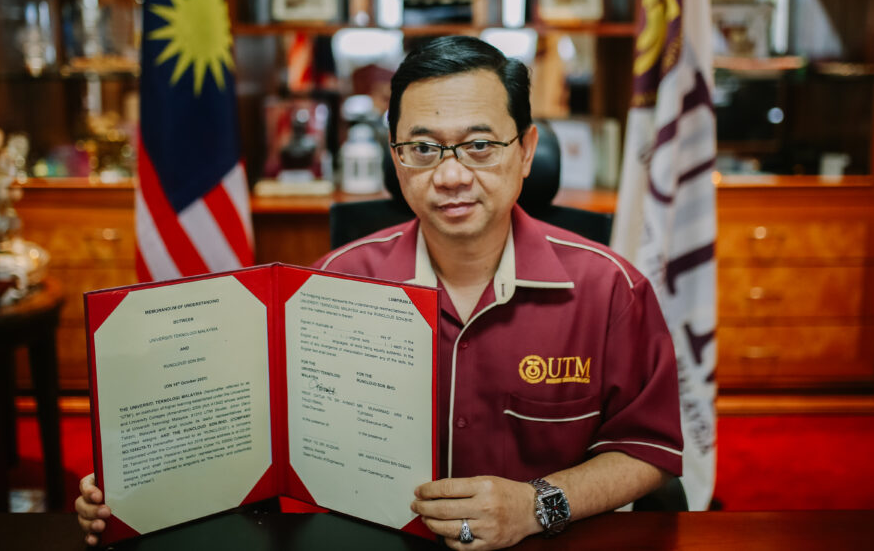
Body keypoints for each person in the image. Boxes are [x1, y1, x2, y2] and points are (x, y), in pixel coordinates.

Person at [77, 36, 682, 549]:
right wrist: (137, 486)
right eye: (422, 148)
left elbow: (649, 450)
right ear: (396, 158)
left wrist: (537, 505)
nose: (449, 175)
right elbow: (256, 441)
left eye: (479, 145)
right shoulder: (328, 288)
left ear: (525, 151)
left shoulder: (611, 289)